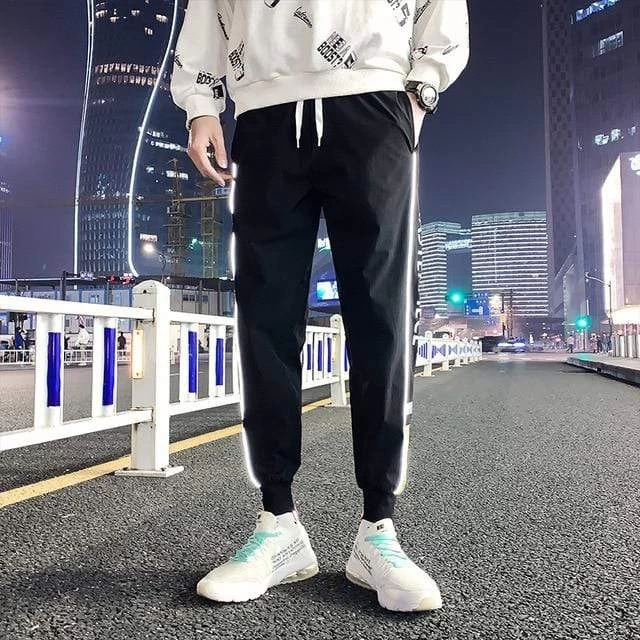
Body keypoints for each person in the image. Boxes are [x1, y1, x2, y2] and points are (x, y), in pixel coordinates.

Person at [171, 0, 469, 613]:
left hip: (374, 101)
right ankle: (277, 522)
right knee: (265, 318)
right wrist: (201, 105)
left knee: (381, 315)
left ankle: (378, 529)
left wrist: (422, 88)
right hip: (263, 110)